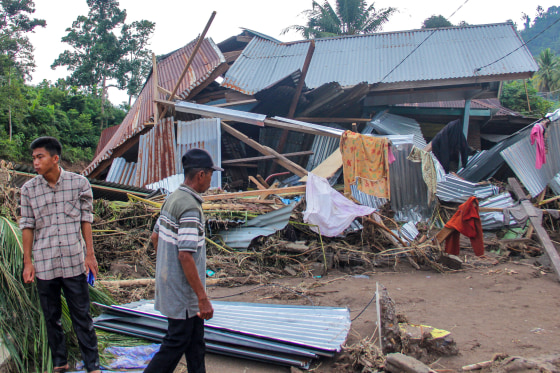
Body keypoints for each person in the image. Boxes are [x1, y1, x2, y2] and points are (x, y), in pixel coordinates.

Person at [20, 137, 101, 373]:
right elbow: (27, 226)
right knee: (51, 317)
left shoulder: (79, 184)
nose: (35, 162)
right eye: (33, 157)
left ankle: (92, 364)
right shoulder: (29, 190)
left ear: (55, 159)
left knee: (82, 317)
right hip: (44, 264)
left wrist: (90, 254)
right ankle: (60, 362)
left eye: (40, 157)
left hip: (74, 261)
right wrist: (28, 262)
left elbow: (86, 220)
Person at [144, 148, 222, 373]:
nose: (210, 179)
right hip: (184, 294)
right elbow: (185, 255)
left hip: (175, 287)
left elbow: (155, 236)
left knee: (196, 343)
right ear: (201, 175)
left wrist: (167, 271)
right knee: (175, 343)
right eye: (210, 173)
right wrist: (202, 297)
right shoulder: (189, 207)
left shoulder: (173, 198)